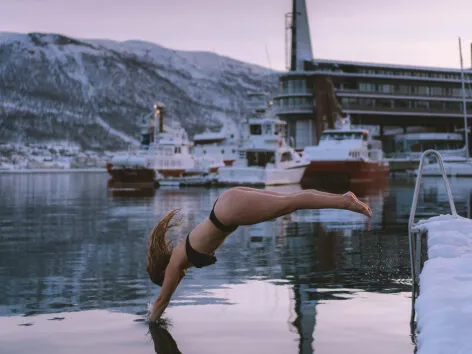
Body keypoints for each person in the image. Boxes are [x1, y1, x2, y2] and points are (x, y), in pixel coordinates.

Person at [146, 187, 371, 322]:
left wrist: (151, 321)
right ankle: (343, 200)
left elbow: (162, 299)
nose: (176, 279)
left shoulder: (176, 260)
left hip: (229, 210)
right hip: (227, 204)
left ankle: (344, 201)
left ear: (165, 270)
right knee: (291, 201)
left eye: (168, 278)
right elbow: (165, 295)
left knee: (291, 203)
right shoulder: (179, 257)